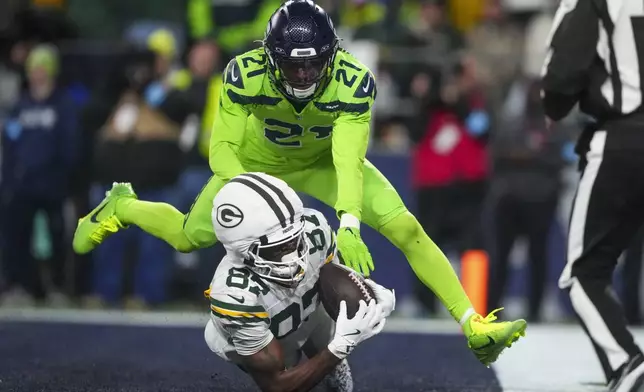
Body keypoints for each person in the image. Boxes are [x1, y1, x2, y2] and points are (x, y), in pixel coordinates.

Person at [73, 0, 525, 365]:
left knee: (405, 227)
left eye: (313, 66)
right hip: (255, 165)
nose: (304, 75)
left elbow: (349, 160)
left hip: (324, 163)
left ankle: (473, 324)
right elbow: (221, 151)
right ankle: (122, 206)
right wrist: (253, 187)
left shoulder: (351, 82)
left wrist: (348, 223)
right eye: (293, 66)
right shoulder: (244, 74)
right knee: (189, 236)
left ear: (331, 56)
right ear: (271, 59)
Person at [203, 172, 392, 392]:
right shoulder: (234, 294)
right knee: (285, 369)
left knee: (323, 320)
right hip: (261, 326)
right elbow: (277, 386)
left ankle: (327, 357)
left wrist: (367, 291)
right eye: (278, 249)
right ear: (244, 251)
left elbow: (331, 277)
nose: (293, 257)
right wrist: (339, 348)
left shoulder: (314, 229)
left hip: (305, 306)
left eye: (295, 240)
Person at [541, 0, 644, 390]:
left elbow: (562, 72)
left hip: (624, 139)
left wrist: (555, 104)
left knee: (585, 271)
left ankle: (626, 362)